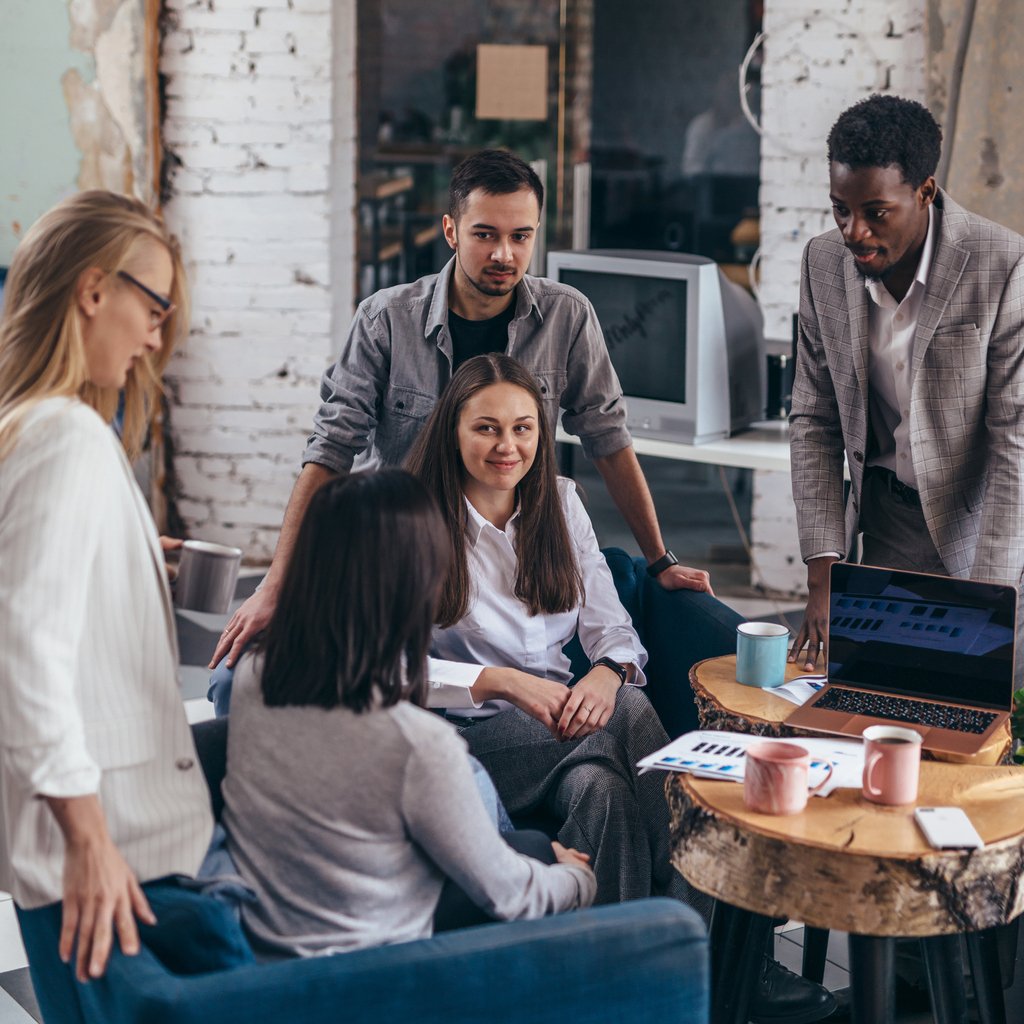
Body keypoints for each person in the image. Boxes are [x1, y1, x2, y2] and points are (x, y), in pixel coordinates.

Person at [407, 354, 836, 1024]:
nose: (508, 446)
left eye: (523, 428)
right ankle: (716, 935)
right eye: (486, 428)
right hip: (464, 746)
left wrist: (606, 673)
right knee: (630, 714)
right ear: (451, 431)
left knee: (603, 794)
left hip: (570, 734)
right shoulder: (412, 520)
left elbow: (615, 627)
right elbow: (384, 668)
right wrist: (501, 682)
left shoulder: (560, 502)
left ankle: (619, 997)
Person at [211, 148, 712, 671]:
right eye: (485, 234)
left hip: (511, 557)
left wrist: (660, 561)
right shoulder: (387, 320)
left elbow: (609, 441)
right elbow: (331, 451)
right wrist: (275, 583)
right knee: (264, 673)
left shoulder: (567, 316)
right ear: (451, 231)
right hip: (402, 558)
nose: (504, 254)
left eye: (521, 236)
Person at [221, 470, 596, 959]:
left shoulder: (257, 672)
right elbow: (514, 898)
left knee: (529, 843)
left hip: (263, 943)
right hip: (373, 976)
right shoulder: (416, 744)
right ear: (416, 583)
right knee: (545, 857)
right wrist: (577, 879)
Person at [0, 192, 214, 986]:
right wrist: (90, 840)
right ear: (94, 291)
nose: (156, 339)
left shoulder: (22, 424)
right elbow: (23, 646)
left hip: (64, 841)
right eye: (154, 308)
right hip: (115, 845)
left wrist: (122, 555)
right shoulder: (66, 436)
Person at [789, 94, 1024, 669]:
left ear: (925, 191)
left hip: (987, 522)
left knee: (983, 720)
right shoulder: (822, 264)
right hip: (888, 522)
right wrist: (824, 568)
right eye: (840, 209)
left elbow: (1015, 443)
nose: (853, 231)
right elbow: (813, 418)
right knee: (882, 707)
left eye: (875, 212)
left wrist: (990, 602)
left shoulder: (1003, 263)